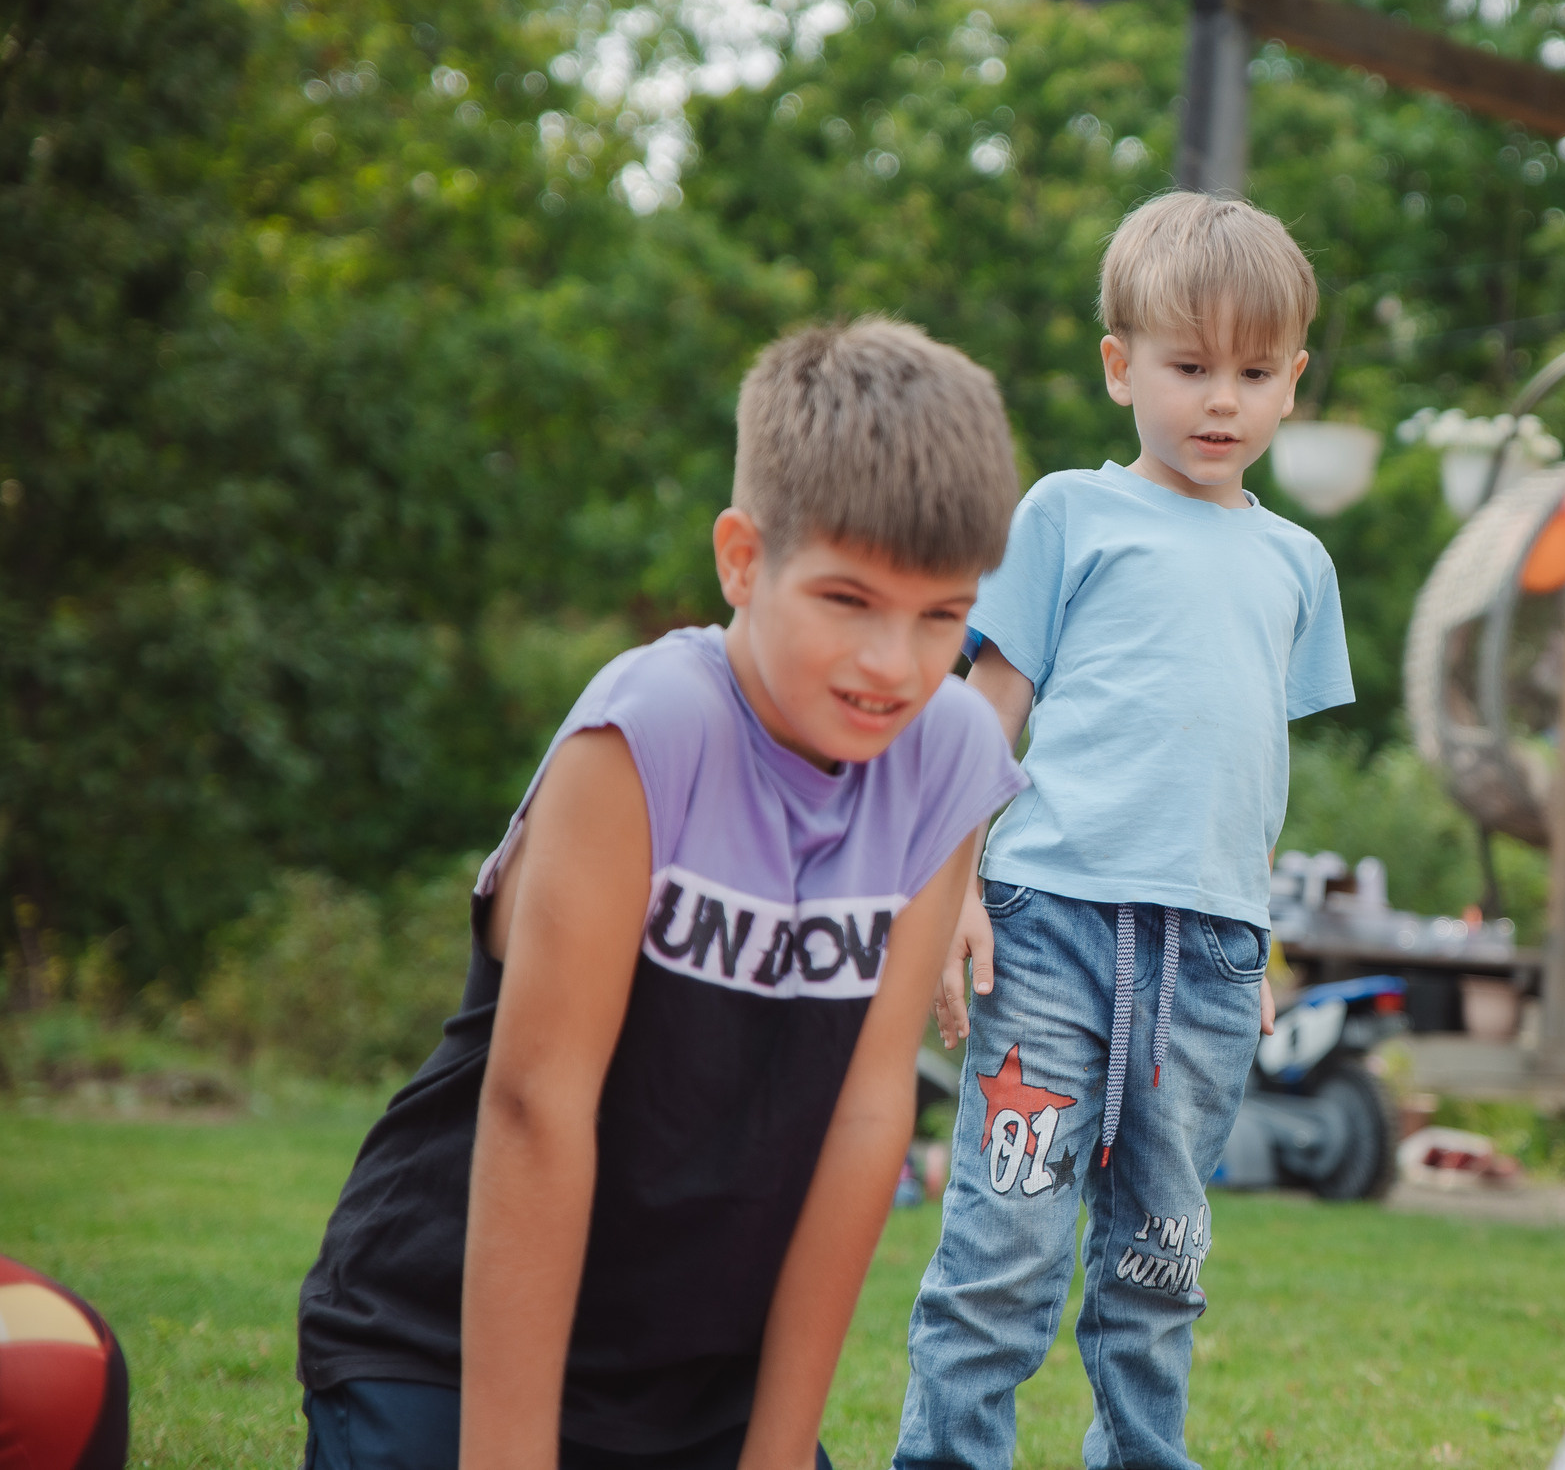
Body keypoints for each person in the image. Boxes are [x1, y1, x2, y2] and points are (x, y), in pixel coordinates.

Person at [294, 321, 1027, 1470]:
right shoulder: (644, 734)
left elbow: (866, 1115)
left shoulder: (948, 759)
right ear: (742, 559)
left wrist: (773, 1456)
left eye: (942, 616)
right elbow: (538, 1107)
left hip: (696, 1386)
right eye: (848, 599)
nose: (895, 662)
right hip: (444, 1337)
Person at [895, 192, 1353, 1470]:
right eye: (1188, 366)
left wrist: (1258, 942)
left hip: (1208, 954)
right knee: (1004, 1255)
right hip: (1048, 929)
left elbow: (1248, 768)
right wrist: (953, 896)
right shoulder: (1065, 517)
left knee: (1160, 1265)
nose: (1221, 401)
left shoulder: (1296, 567)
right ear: (1120, 366)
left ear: (1292, 384)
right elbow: (980, 720)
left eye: (1254, 374)